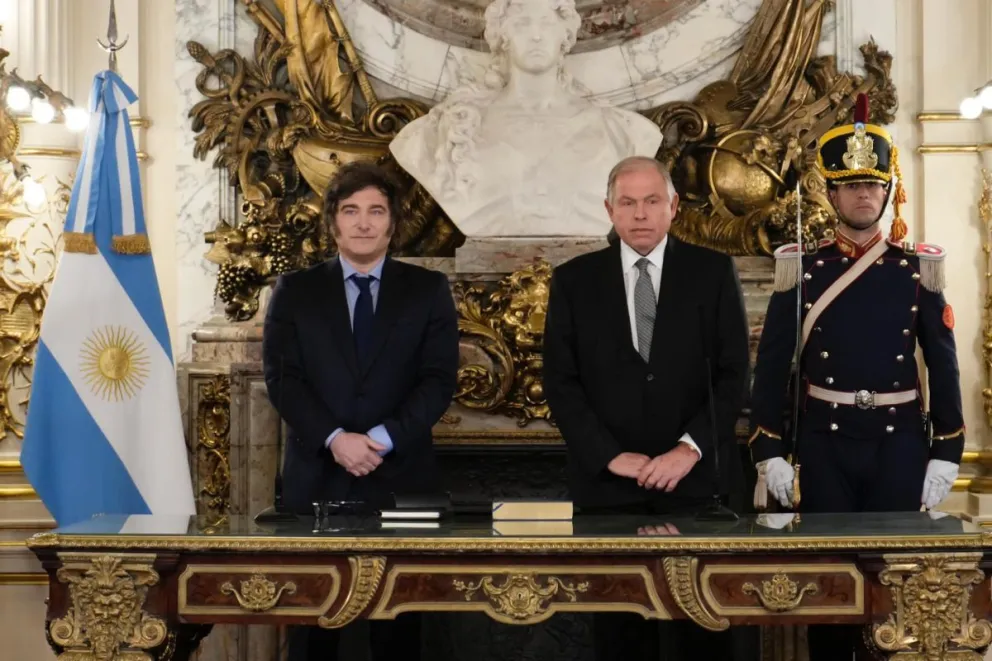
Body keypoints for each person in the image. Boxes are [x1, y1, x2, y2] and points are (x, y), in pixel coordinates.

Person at [748, 94, 965, 661]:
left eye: (873, 184)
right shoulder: (801, 266)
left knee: (897, 585)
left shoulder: (919, 267)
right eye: (851, 185)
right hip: (825, 445)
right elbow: (772, 365)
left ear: (887, 192)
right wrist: (768, 447)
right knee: (831, 591)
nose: (864, 194)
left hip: (899, 446)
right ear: (832, 192)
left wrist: (947, 449)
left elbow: (943, 363)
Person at [543, 155, 751, 659]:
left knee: (703, 637)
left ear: (674, 207)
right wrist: (609, 456)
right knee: (620, 639)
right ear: (609, 209)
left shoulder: (712, 272)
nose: (640, 214)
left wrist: (688, 450)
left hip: (697, 489)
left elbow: (732, 375)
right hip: (609, 490)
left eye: (652, 201)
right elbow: (560, 382)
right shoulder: (574, 280)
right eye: (628, 202)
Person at [261, 161, 460, 661]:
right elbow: (283, 380)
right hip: (316, 481)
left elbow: (438, 380)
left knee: (399, 632)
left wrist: (382, 437)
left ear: (392, 222)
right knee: (313, 630)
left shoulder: (427, 290)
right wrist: (336, 439)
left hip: (403, 479)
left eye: (376, 211)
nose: (364, 222)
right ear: (333, 222)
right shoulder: (295, 291)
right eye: (351, 211)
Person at [388, 0, 661, 237]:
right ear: (502, 36)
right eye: (522, 24)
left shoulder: (624, 131)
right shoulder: (450, 129)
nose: (537, 36)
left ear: (566, 35)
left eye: (546, 23)